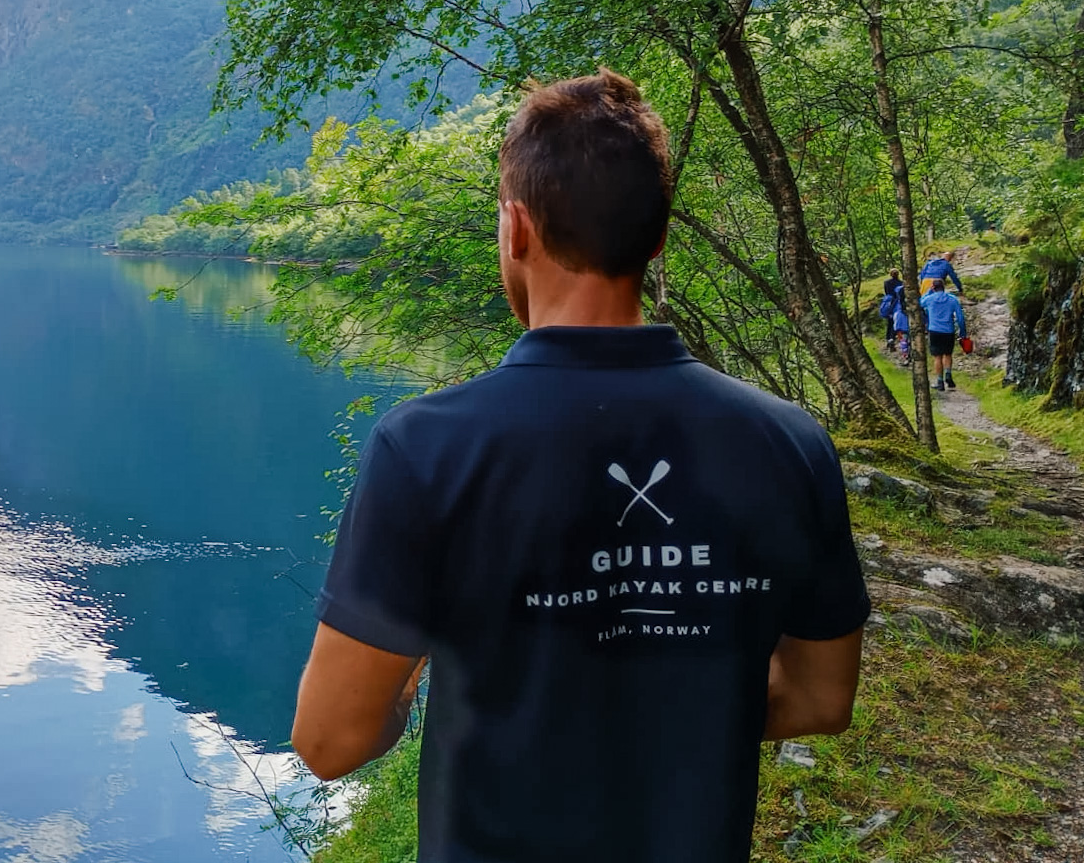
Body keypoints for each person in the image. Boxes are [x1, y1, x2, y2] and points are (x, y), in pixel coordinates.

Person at [291, 70, 869, 863]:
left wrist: (406, 691)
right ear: (657, 237)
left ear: (516, 228)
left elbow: (330, 740)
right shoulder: (789, 441)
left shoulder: (426, 449)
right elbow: (821, 698)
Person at [919, 277, 968, 391]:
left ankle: (940, 382)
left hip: (934, 330)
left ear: (933, 288)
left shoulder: (929, 299)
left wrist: (928, 292)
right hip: (948, 331)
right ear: (944, 287)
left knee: (937, 357)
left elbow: (920, 303)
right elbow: (960, 317)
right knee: (948, 354)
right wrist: (962, 331)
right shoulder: (952, 299)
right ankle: (948, 374)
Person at [879, 269, 903, 353]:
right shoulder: (901, 283)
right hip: (897, 304)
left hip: (889, 303)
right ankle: (892, 338)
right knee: (894, 322)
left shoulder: (886, 282)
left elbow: (886, 292)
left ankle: (888, 338)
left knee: (889, 322)